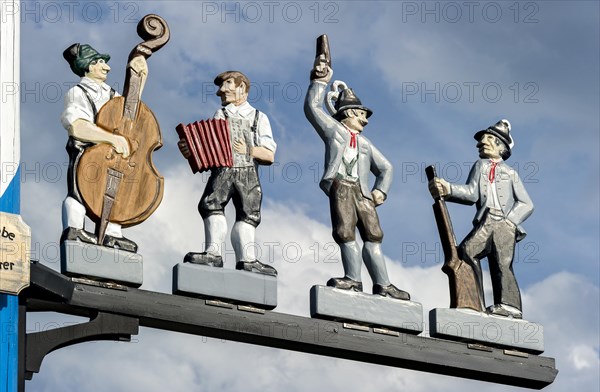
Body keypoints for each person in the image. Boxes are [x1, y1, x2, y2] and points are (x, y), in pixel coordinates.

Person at [303, 55, 410, 300]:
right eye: (361, 114)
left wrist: (380, 191)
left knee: (373, 236)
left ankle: (384, 284)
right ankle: (353, 279)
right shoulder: (335, 130)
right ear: (349, 113)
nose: (365, 119)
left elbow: (386, 168)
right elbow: (312, 108)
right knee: (345, 233)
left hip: (362, 192)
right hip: (341, 186)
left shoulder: (365, 144)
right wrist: (320, 82)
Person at [429, 120, 534, 318]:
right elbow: (471, 194)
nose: (481, 143)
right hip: (487, 220)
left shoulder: (511, 173)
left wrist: (510, 221)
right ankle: (474, 299)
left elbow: (527, 204)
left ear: (499, 146)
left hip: (504, 223)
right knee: (466, 253)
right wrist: (448, 188)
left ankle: (509, 306)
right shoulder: (480, 166)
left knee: (502, 263)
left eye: (487, 139)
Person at [178, 71, 277, 276]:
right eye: (221, 86)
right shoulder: (220, 115)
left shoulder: (259, 117)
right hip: (223, 169)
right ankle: (213, 252)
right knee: (210, 205)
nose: (221, 90)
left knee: (248, 213)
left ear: (242, 88)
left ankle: (247, 258)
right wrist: (190, 151)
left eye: (228, 83)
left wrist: (248, 150)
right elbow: (208, 146)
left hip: (247, 173)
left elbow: (269, 154)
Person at [61, 43, 147, 252]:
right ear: (87, 65)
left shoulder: (112, 94)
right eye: (100, 62)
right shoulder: (77, 92)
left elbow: (129, 111)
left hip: (110, 157)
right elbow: (77, 125)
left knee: (115, 192)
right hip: (86, 153)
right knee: (80, 193)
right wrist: (112, 139)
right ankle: (74, 229)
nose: (106, 67)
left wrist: (140, 76)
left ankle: (112, 233)